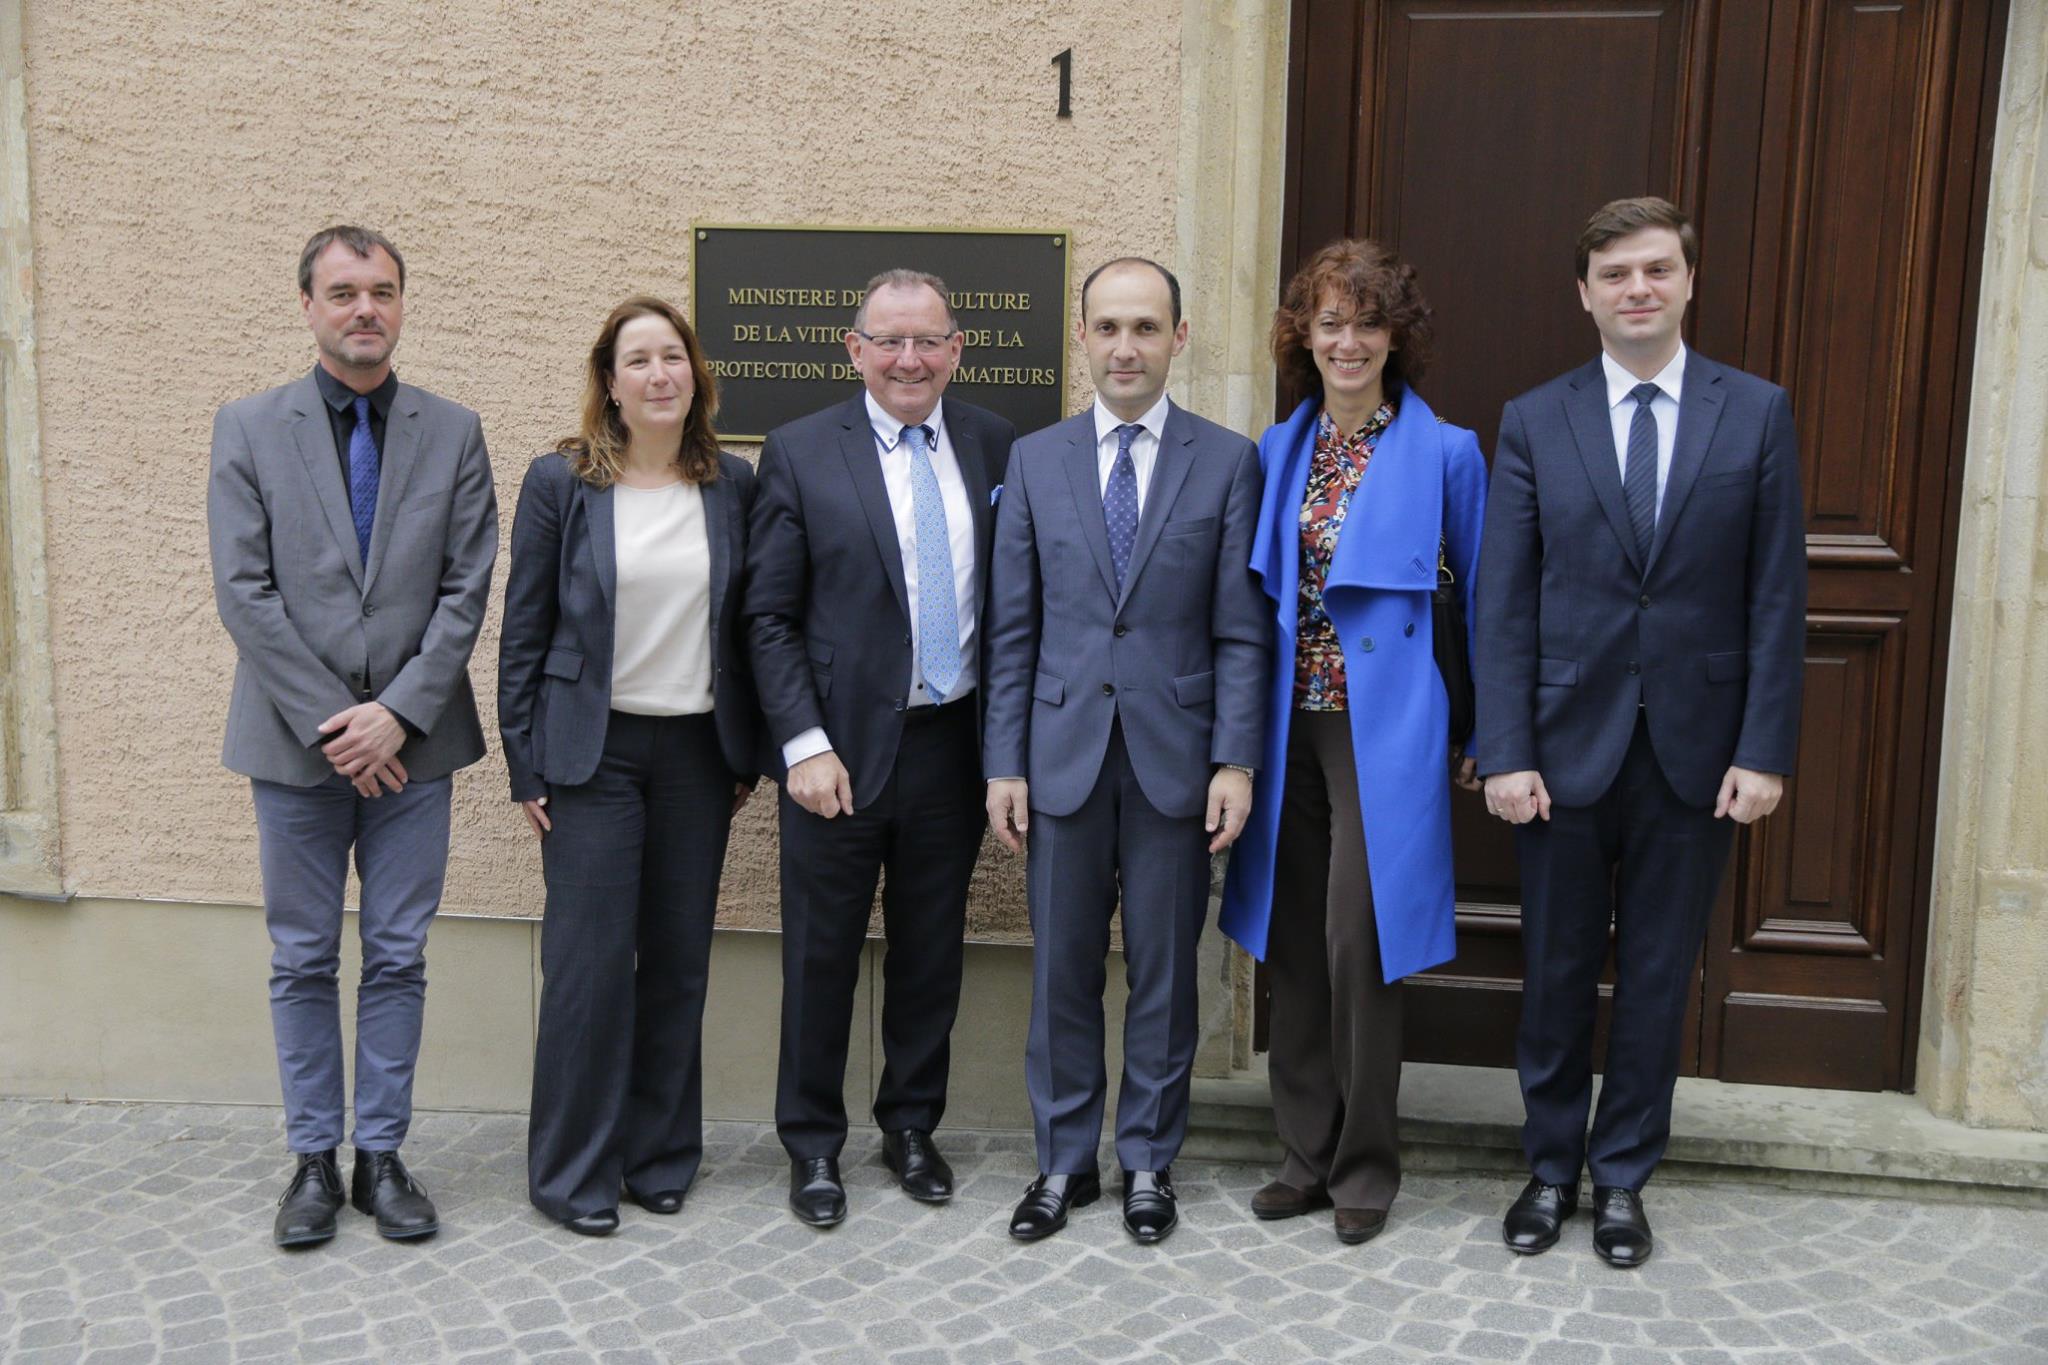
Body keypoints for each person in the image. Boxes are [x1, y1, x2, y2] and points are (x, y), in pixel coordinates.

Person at [1474, 197, 1806, 1268]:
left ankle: (1621, 1178)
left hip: (1696, 756)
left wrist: (1762, 749)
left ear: (1688, 280)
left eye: (1656, 269)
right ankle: (1548, 1168)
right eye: (1614, 274)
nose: (1637, 289)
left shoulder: (1753, 413)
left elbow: (1774, 595)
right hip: (1560, 752)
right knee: (1555, 975)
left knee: (1658, 977)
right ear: (1584, 294)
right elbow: (1502, 599)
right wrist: (1505, 748)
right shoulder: (1536, 418)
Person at [208, 225, 498, 1248]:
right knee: (300, 956)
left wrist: (397, 715)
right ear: (308, 306)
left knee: (397, 952)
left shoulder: (452, 431)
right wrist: (338, 724)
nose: (364, 308)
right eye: (343, 292)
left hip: (416, 747)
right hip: (296, 748)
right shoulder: (249, 428)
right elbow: (244, 592)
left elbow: (466, 587)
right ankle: (311, 1162)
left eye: (381, 290)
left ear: (402, 303)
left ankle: (380, 1156)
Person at [983, 257, 1267, 1244]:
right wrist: (1003, 763)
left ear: (1178, 337)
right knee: (1061, 972)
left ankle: (1147, 1159)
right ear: (1082, 335)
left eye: (1145, 327)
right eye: (1107, 327)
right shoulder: (1035, 460)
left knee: (1164, 972)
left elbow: (1241, 631)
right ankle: (1063, 1162)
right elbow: (1011, 629)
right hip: (1059, 757)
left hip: (1174, 764)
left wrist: (1235, 760)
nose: (1125, 347)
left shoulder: (1226, 461)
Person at [1216, 240, 1486, 1245]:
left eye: (1367, 322)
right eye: (1329, 321)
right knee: (1293, 942)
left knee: (1359, 941)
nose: (1347, 341)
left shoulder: (1448, 453)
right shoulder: (1277, 449)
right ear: (1305, 335)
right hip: (1287, 721)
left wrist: (1486, 730)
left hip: (1387, 727)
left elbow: (1485, 599)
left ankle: (1366, 1163)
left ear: (1395, 336)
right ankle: (1303, 1154)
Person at [744, 269, 1016, 1228]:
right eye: (889, 341)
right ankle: (812, 1142)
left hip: (952, 744)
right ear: (854, 349)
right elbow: (768, 616)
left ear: (956, 349)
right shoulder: (799, 449)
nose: (909, 359)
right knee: (820, 956)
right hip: (839, 756)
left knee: (930, 953)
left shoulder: (994, 442)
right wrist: (802, 744)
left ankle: (909, 1124)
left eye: (928, 340)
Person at [498, 296, 760, 1237]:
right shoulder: (562, 482)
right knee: (588, 969)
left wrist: (749, 749)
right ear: (609, 383)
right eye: (638, 360)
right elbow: (524, 629)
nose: (659, 374)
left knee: (678, 964)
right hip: (591, 755)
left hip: (697, 755)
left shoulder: (732, 483)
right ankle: (573, 1173)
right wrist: (525, 763)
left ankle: (658, 1159)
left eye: (673, 356)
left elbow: (749, 626)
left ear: (696, 373)